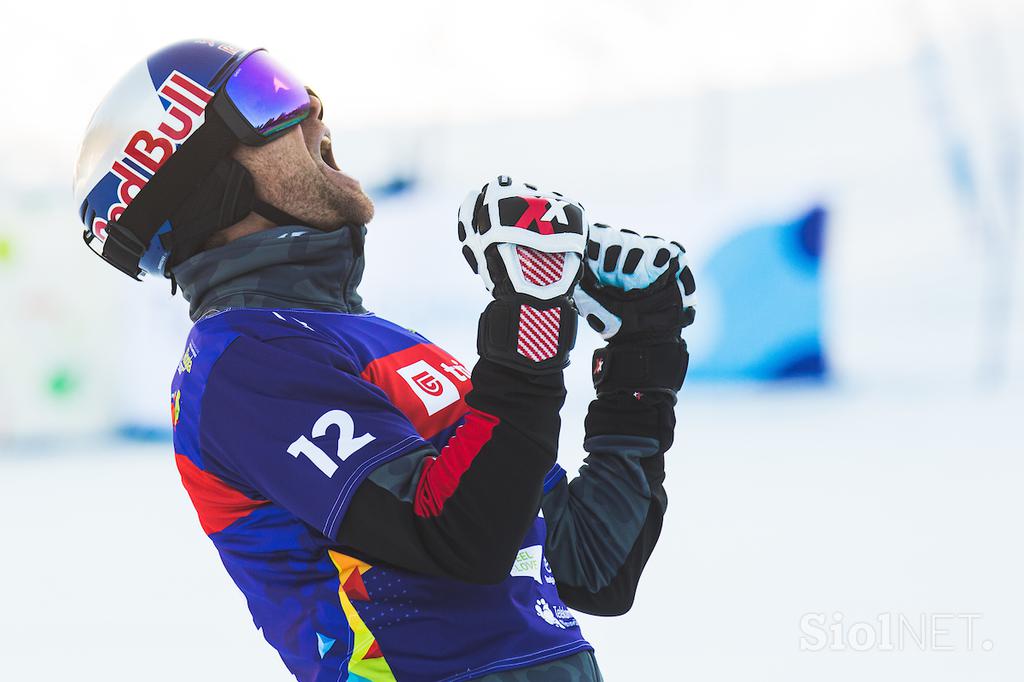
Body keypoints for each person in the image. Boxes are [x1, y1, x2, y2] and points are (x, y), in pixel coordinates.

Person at [73, 39, 696, 682]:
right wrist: (531, 314)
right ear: (207, 188)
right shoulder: (243, 363)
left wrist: (641, 345)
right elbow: (456, 536)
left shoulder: (368, 339)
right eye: (269, 96)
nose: (313, 107)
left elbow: (591, 565)